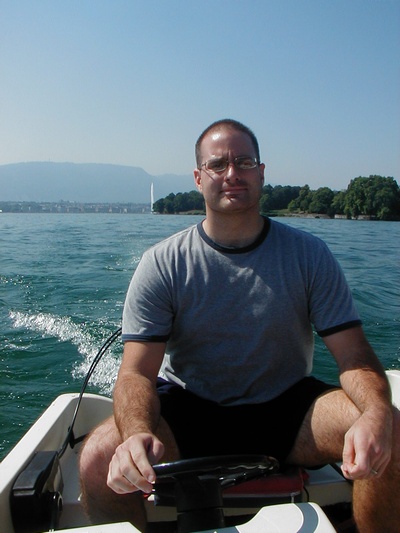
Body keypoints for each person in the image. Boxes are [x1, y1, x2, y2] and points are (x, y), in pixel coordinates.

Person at [80, 119, 399, 532]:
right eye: (217, 164)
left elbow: (355, 358)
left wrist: (375, 414)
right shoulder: (163, 264)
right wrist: (136, 432)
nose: (232, 173)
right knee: (96, 459)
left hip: (288, 408)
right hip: (190, 409)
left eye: (244, 161)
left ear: (261, 173)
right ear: (198, 178)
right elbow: (136, 372)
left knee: (391, 430)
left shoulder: (309, 256)